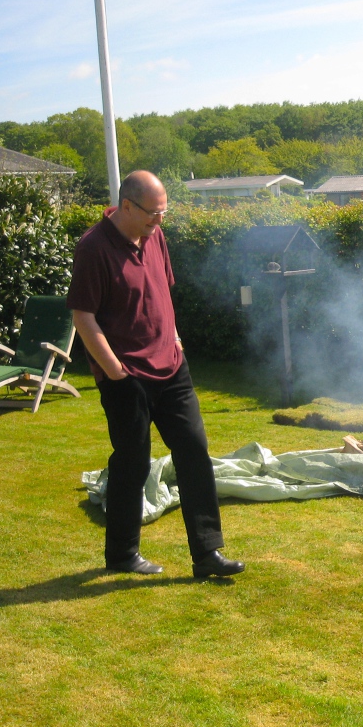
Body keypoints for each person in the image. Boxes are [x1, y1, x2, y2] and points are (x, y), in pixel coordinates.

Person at [67, 170, 244, 578]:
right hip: (126, 376)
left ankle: (207, 554)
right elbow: (83, 316)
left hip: (171, 367)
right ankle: (123, 555)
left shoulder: (155, 236)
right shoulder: (93, 247)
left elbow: (161, 291)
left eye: (164, 212)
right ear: (127, 206)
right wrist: (115, 371)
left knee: (194, 452)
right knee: (133, 463)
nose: (159, 221)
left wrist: (176, 338)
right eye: (153, 213)